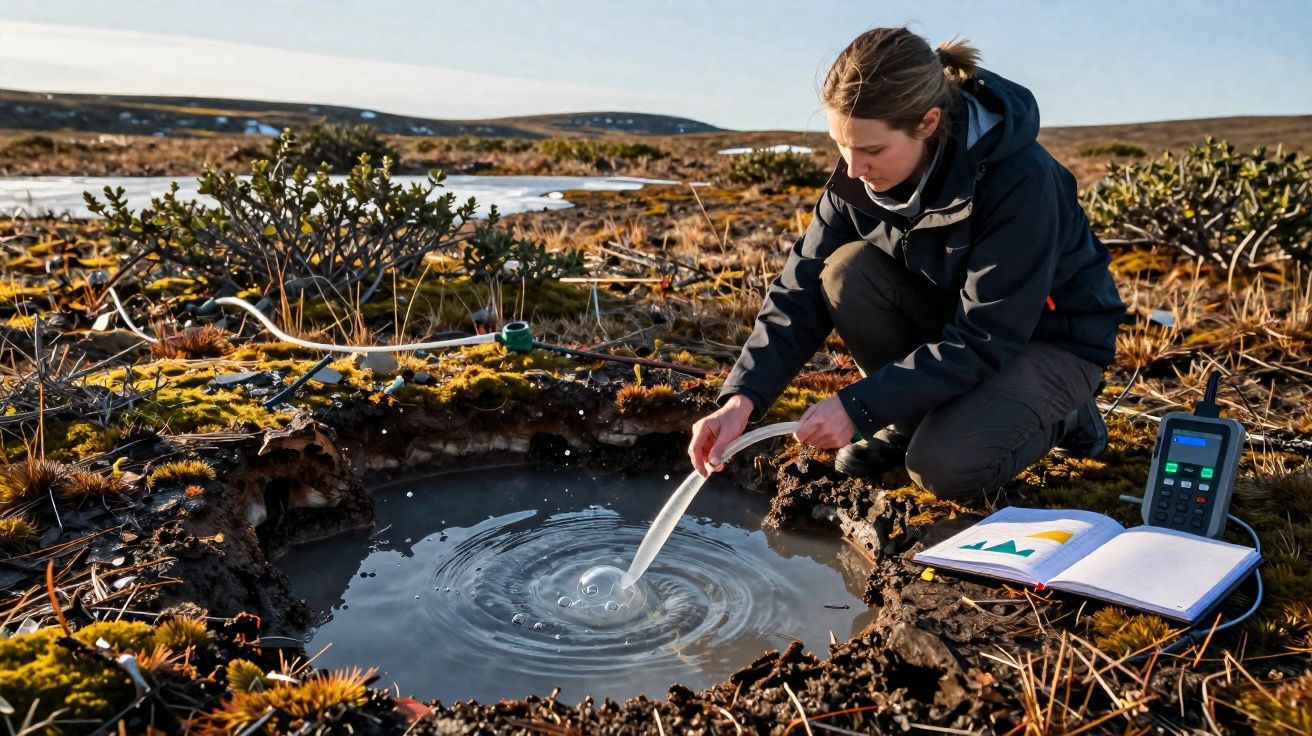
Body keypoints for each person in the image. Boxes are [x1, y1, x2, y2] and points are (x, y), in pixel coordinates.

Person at [688, 27, 1127, 500]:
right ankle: (910, 420)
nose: (853, 169)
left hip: (1050, 342)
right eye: (841, 145)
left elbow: (988, 335)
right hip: (954, 328)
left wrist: (859, 407)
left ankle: (1068, 416)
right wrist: (742, 398)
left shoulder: (1020, 180)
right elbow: (800, 289)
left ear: (927, 123)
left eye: (872, 150)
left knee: (943, 468)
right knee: (846, 271)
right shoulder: (856, 181)